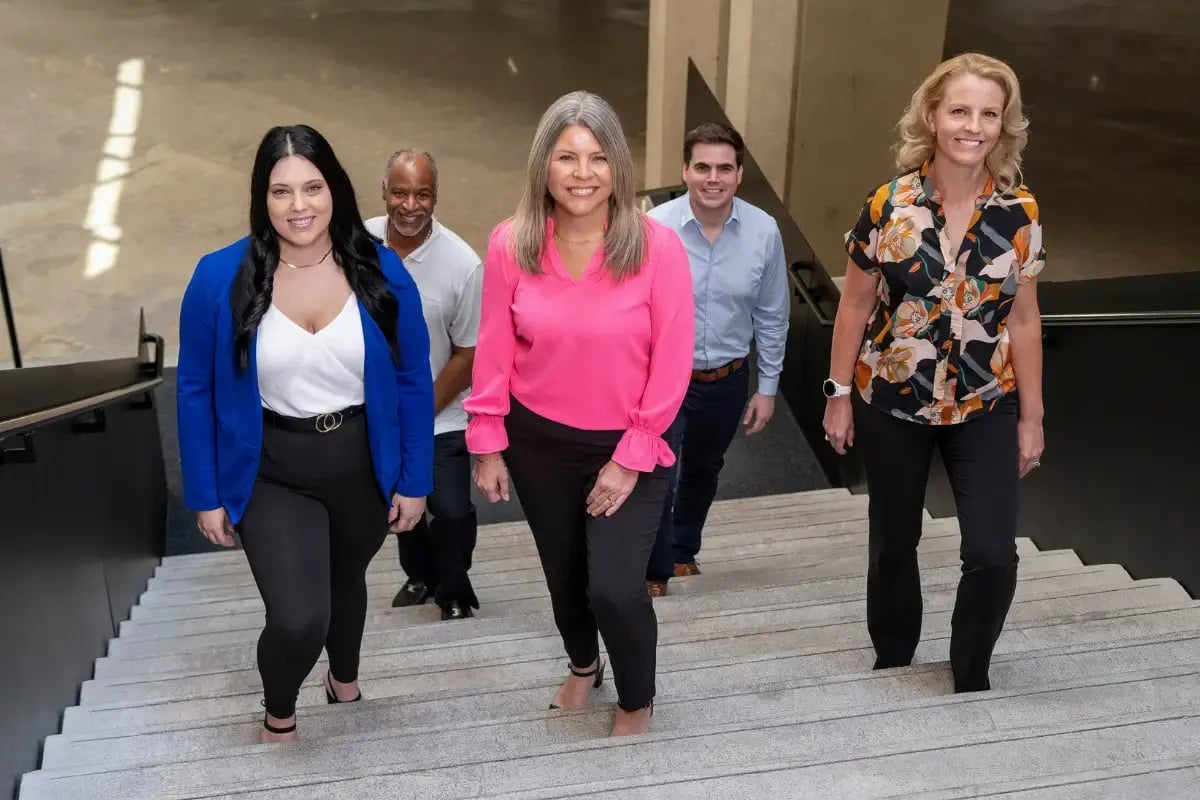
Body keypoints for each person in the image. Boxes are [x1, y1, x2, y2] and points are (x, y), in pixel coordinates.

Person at [177, 124, 434, 742]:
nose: (300, 207)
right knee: (299, 617)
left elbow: (412, 381)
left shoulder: (382, 270)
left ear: (335, 191)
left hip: (361, 465)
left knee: (346, 580)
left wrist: (415, 480)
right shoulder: (218, 278)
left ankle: (343, 675)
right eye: (281, 191)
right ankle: (279, 711)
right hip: (271, 468)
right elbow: (194, 389)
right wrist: (205, 493)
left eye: (313, 188)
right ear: (261, 199)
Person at [465, 90, 694, 737]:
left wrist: (628, 458)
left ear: (617, 166)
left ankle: (636, 699)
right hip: (540, 442)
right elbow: (494, 350)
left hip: (634, 443)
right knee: (564, 575)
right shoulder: (511, 245)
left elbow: (673, 364)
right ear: (544, 165)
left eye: (597, 157)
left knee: (615, 588)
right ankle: (583, 663)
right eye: (567, 156)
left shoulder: (658, 249)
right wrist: (486, 439)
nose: (583, 172)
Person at [824, 52, 1045, 692]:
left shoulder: (1020, 214)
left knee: (992, 554)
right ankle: (893, 659)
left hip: (984, 401)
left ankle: (968, 673)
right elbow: (855, 306)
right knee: (894, 540)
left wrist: (1032, 416)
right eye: (959, 110)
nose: (972, 126)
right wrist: (838, 395)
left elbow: (1025, 321)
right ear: (931, 115)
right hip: (892, 397)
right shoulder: (887, 205)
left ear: (1004, 125)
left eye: (988, 114)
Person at [643, 122, 789, 596]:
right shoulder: (654, 228)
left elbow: (772, 314)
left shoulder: (763, 231)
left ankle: (684, 549)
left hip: (727, 380)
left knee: (704, 469)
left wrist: (767, 389)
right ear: (684, 170)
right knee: (658, 473)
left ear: (739, 174)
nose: (713, 178)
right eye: (702, 166)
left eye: (724, 168)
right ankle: (654, 565)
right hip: (663, 379)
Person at [365, 149, 483, 621]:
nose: (409, 204)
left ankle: (455, 586)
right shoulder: (357, 244)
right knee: (399, 504)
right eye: (400, 192)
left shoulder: (462, 264)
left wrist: (416, 414)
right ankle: (421, 575)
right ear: (384, 193)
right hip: (374, 413)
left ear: (436, 196)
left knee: (451, 509)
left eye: (422, 193)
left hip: (441, 412)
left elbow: (469, 353)